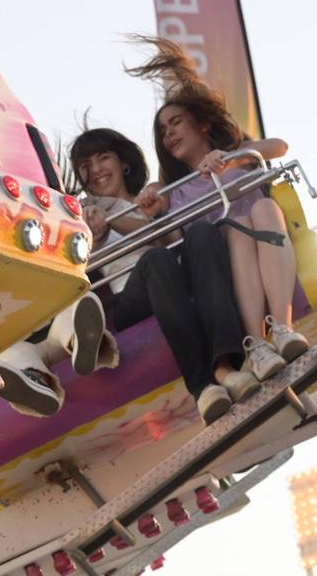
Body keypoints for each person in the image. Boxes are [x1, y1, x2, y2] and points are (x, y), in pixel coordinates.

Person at [127, 37, 308, 383]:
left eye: (176, 122)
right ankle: (256, 343)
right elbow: (180, 244)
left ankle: (282, 329)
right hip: (226, 263)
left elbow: (278, 147)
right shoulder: (176, 192)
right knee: (239, 223)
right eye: (163, 132)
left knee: (264, 209)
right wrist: (157, 211)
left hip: (265, 242)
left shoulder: (237, 155)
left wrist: (230, 159)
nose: (169, 134)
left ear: (203, 124)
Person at [74, 127, 259, 422]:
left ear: (123, 162)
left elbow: (171, 240)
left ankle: (227, 365)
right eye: (86, 166)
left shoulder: (151, 195)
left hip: (169, 281)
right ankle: (202, 386)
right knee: (155, 260)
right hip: (129, 295)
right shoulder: (84, 211)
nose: (96, 170)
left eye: (103, 158)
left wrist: (130, 220)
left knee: (200, 232)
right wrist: (96, 231)